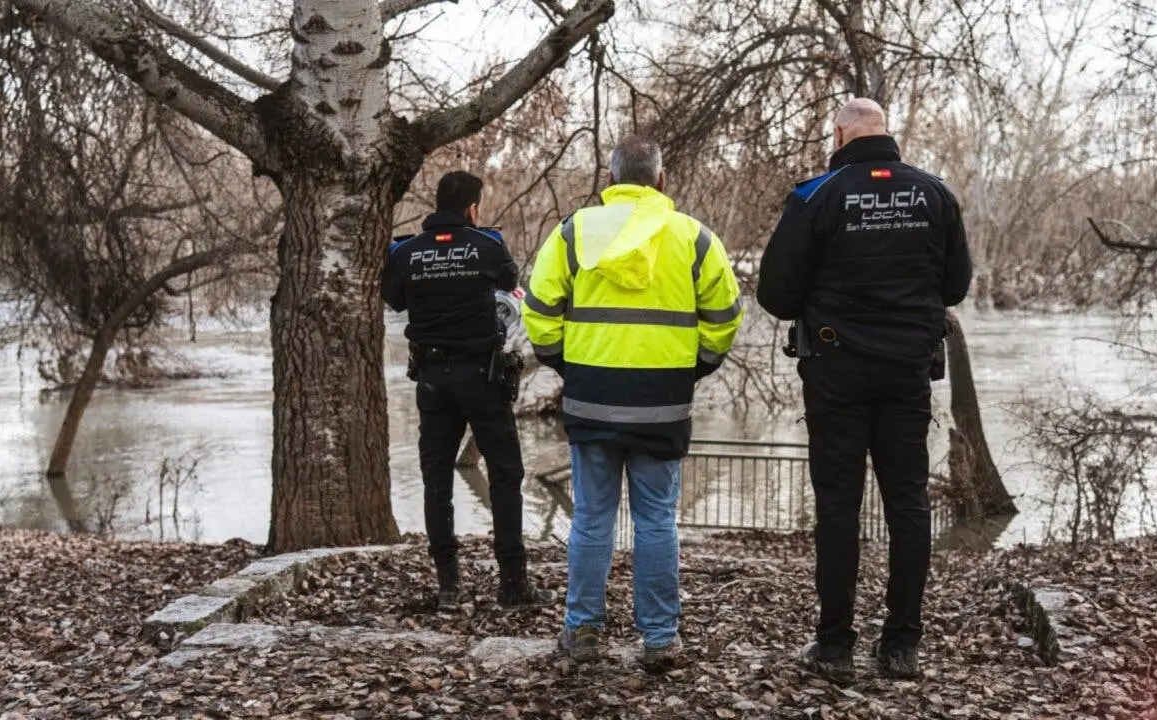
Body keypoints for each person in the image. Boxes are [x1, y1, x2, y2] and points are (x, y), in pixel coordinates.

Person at [757, 99, 972, 681]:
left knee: (838, 506)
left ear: (839, 134)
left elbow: (775, 294)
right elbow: (955, 286)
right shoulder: (935, 194)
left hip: (836, 370)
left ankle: (834, 647)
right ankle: (901, 645)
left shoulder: (815, 196)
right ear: (886, 133)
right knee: (908, 504)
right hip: (906, 372)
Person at [522, 137, 744, 672]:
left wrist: (569, 366)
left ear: (612, 178)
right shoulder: (693, 237)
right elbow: (725, 318)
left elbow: (538, 311)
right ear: (660, 180)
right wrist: (694, 368)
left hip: (592, 399)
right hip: (662, 403)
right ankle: (660, 639)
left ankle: (582, 631)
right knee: (657, 521)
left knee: (592, 519)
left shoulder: (574, 232)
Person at [381, 170, 555, 611]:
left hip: (434, 380)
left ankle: (448, 586)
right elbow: (509, 284)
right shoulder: (488, 245)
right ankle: (513, 583)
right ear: (473, 208)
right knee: (506, 476)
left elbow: (395, 299)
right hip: (483, 377)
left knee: (436, 479)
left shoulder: (407, 252)